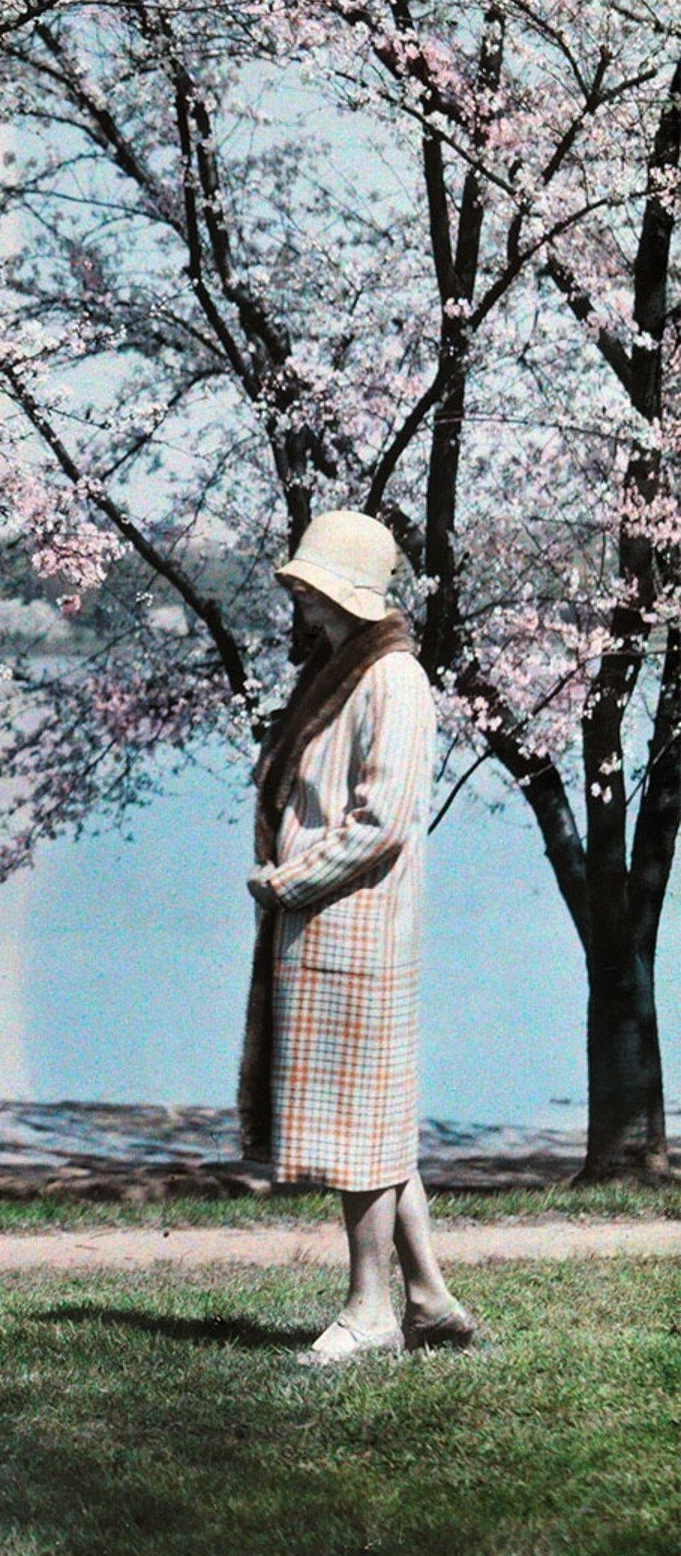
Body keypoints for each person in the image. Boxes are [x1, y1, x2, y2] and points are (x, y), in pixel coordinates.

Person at [245, 509, 476, 1361]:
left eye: (311, 583)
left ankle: (370, 1308)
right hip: (323, 927)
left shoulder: (393, 680)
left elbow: (382, 821)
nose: (300, 596)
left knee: (361, 1131)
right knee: (373, 1123)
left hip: (358, 925)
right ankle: (429, 1300)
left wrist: (289, 881)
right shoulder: (341, 672)